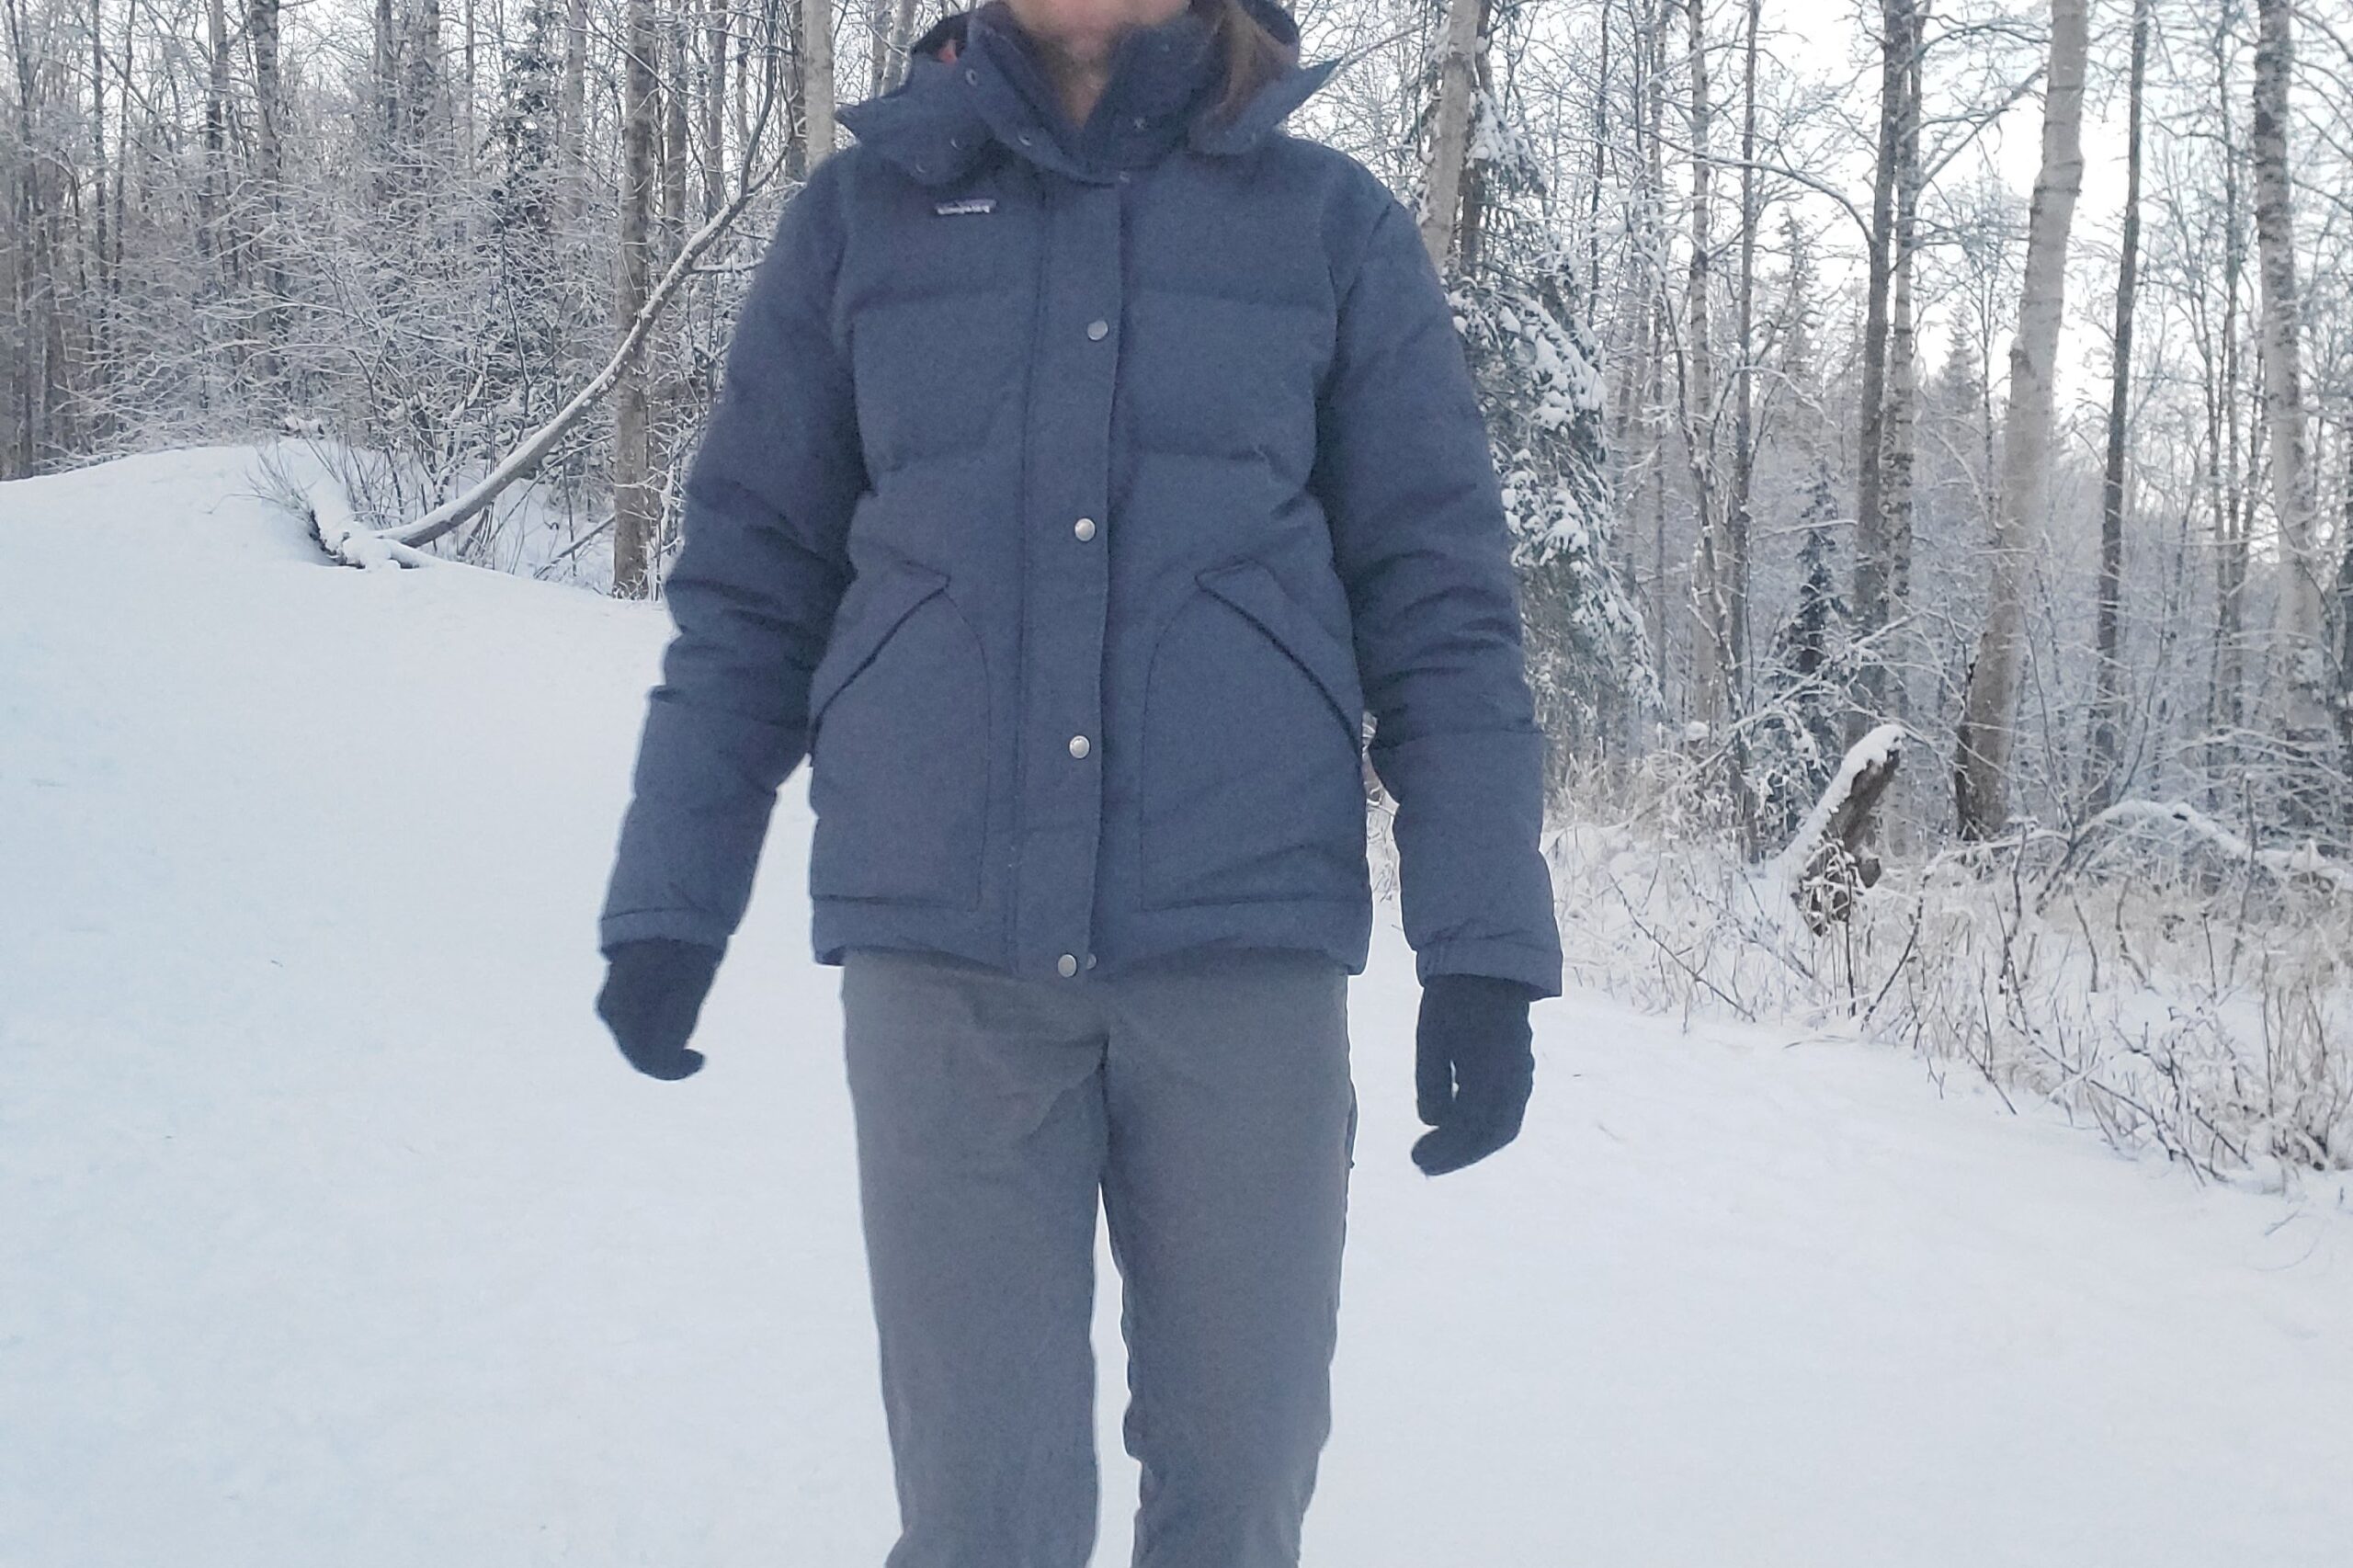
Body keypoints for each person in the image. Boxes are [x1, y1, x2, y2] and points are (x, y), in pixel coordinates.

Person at [592, 0, 1563, 1560]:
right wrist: (671, 898)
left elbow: (1440, 604)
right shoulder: (862, 220)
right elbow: (753, 591)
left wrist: (1485, 949)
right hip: (947, 964)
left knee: (1239, 1490)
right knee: (982, 1516)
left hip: (1238, 960)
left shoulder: (1331, 230)